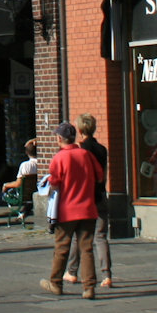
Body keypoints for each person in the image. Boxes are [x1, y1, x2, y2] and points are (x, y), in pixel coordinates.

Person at [40, 122, 102, 299]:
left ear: (59, 138)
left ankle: (56, 283)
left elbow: (55, 182)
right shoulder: (86, 155)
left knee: (62, 248)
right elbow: (100, 176)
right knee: (87, 249)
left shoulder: (59, 158)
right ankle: (89, 287)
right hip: (88, 208)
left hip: (67, 210)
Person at [62, 114, 113, 288]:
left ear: (81, 130)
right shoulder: (102, 149)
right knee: (100, 237)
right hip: (100, 195)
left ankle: (72, 272)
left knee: (79, 236)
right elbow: (103, 174)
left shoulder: (79, 150)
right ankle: (106, 275)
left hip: (84, 198)